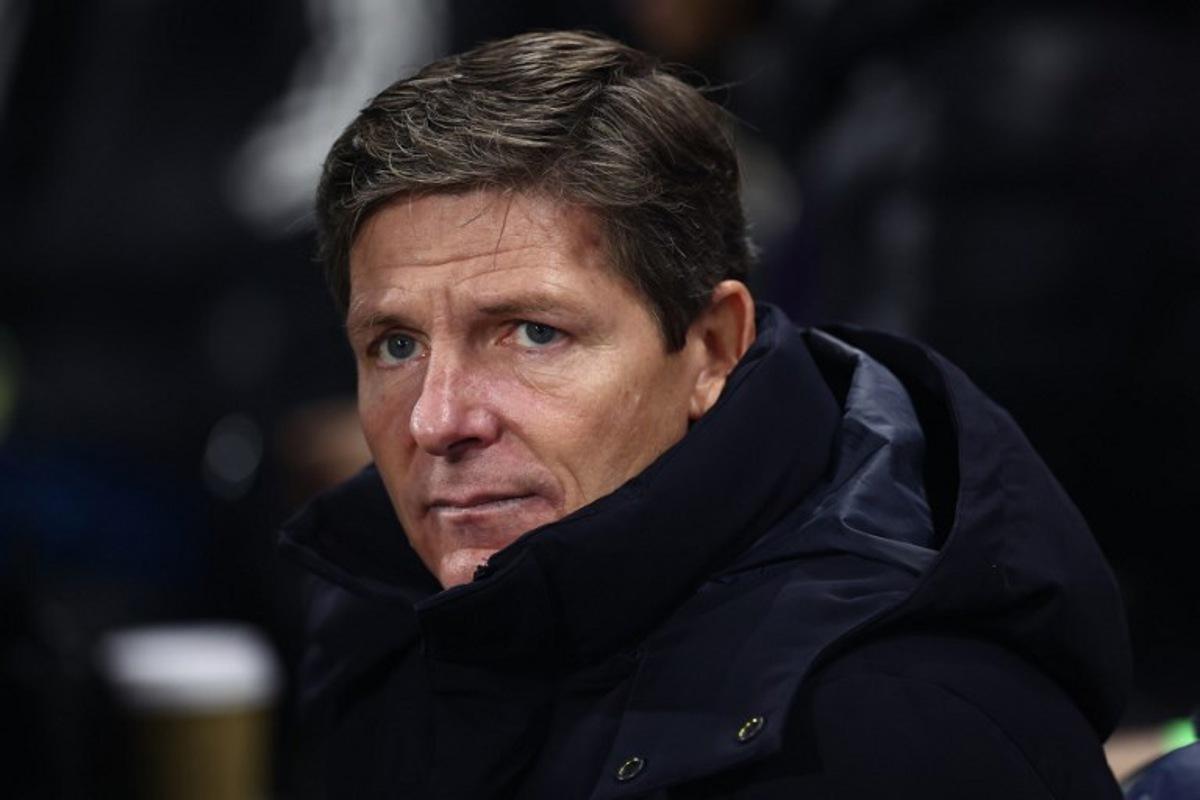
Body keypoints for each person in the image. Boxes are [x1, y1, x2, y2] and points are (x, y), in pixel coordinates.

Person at [279, 30, 1129, 798]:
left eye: (532, 333)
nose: (437, 420)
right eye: (395, 346)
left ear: (714, 347)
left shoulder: (911, 735)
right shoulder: (373, 622)